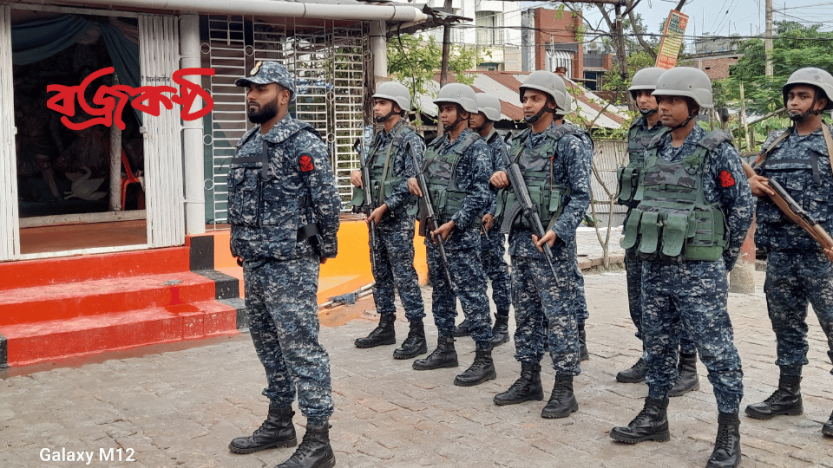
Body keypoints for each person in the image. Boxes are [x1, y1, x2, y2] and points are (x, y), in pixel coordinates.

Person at [610, 67, 753, 468]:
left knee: (716, 351)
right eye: (662, 99)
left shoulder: (716, 149)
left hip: (698, 271)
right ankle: (655, 415)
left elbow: (739, 208)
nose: (663, 105)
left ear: (694, 104)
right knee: (656, 344)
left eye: (672, 100)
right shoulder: (653, 146)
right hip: (654, 266)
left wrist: (720, 261)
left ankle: (728, 433)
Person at [226, 61, 339, 468]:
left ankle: (319, 439)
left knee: (301, 349)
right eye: (248, 89)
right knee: (268, 346)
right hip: (255, 262)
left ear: (284, 96)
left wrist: (319, 249)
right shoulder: (248, 141)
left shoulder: (302, 142)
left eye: (261, 88)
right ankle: (278, 422)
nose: (251, 95)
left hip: (290, 262)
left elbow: (327, 204)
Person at [490, 70, 593, 418]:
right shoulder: (519, 143)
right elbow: (510, 187)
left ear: (552, 102)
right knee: (527, 315)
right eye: (524, 98)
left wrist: (559, 230)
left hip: (551, 246)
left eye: (534, 98)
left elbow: (581, 197)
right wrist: (499, 183)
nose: (526, 105)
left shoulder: (569, 142)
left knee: (559, 316)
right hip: (519, 243)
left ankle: (565, 389)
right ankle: (529, 378)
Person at [742, 67, 833, 437]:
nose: (793, 102)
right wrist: (751, 185)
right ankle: (788, 394)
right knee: (786, 327)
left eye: (802, 96)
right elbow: (753, 179)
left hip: (821, 255)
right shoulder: (774, 143)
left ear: (821, 102)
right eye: (791, 96)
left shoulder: (830, 144)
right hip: (780, 253)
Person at [615, 67, 700, 396]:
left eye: (649, 93)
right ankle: (650, 355)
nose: (643, 99)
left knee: (679, 300)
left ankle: (687, 366)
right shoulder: (635, 130)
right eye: (638, 94)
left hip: (674, 227)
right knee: (639, 297)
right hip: (638, 225)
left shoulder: (680, 133)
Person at [407, 83, 496, 387]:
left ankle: (484, 359)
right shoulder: (435, 147)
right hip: (435, 232)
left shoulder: (476, 147)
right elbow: (425, 182)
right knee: (441, 292)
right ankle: (445, 347)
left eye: (448, 109)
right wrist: (413, 183)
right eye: (441, 109)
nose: (443, 114)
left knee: (471, 295)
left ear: (463, 112)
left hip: (462, 235)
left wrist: (456, 222)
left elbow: (480, 192)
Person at [350, 82, 428, 360]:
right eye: (375, 102)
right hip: (376, 217)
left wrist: (386, 205)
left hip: (397, 219)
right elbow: (372, 173)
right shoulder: (377, 140)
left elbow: (413, 182)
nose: (376, 107)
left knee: (404, 277)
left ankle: (417, 334)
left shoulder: (410, 139)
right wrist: (358, 175)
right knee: (380, 274)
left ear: (397, 107)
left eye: (382, 103)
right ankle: (386, 325)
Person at [454, 92, 513, 347]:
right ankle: (476, 317)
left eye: (476, 112)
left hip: (491, 221)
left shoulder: (501, 147)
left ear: (489, 115)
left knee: (496, 270)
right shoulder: (468, 144)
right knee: (473, 272)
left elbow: (502, 187)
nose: (471, 117)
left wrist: (492, 212)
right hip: (470, 219)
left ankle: (501, 322)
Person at [552, 75, 594, 361]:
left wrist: (563, 226)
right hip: (539, 223)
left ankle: (578, 338)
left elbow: (581, 191)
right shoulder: (531, 140)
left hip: (561, 223)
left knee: (568, 281)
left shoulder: (574, 139)